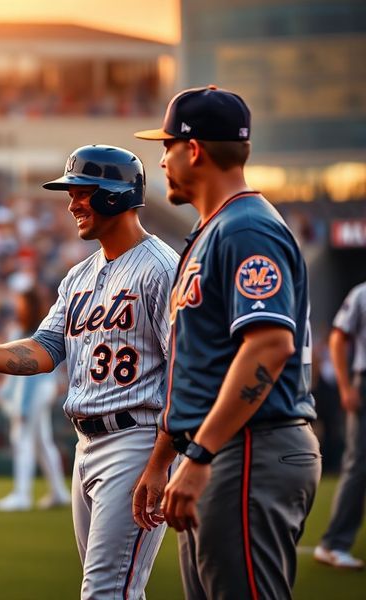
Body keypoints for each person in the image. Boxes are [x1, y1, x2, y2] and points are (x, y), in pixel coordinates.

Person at [0, 145, 179, 598]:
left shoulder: (162, 269)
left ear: (115, 196)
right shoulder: (78, 276)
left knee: (106, 590)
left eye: (82, 192)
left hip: (138, 439)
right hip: (87, 446)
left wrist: (163, 459)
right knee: (117, 588)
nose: (72, 204)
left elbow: (183, 372)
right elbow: (44, 349)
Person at [133, 85, 320, 599]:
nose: (162, 159)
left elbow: (269, 346)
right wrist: (163, 459)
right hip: (224, 447)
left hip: (249, 445)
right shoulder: (213, 231)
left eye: (167, 146)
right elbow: (199, 365)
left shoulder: (245, 229)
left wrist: (198, 456)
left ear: (193, 150)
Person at [0, 287, 70, 512]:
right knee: (42, 442)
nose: (18, 307)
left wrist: (22, 406)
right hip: (39, 389)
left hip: (36, 389)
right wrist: (6, 394)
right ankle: (58, 491)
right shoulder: (23, 327)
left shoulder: (34, 329)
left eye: (22, 303)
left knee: (23, 439)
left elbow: (29, 375)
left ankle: (22, 495)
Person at [314, 282, 366, 569]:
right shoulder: (361, 293)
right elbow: (338, 339)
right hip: (364, 379)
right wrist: (346, 386)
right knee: (358, 464)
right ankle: (334, 543)